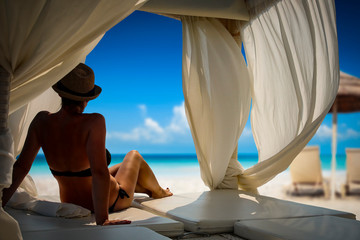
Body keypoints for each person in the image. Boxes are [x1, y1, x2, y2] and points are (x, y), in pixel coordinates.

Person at [2, 63, 172, 225]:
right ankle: (158, 192)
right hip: (113, 201)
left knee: (117, 168)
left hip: (71, 200)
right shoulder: (94, 121)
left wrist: (1, 204)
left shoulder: (41, 121)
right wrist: (102, 219)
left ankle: (147, 189)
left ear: (61, 94)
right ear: (87, 98)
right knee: (134, 156)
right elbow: (98, 172)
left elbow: (21, 167)